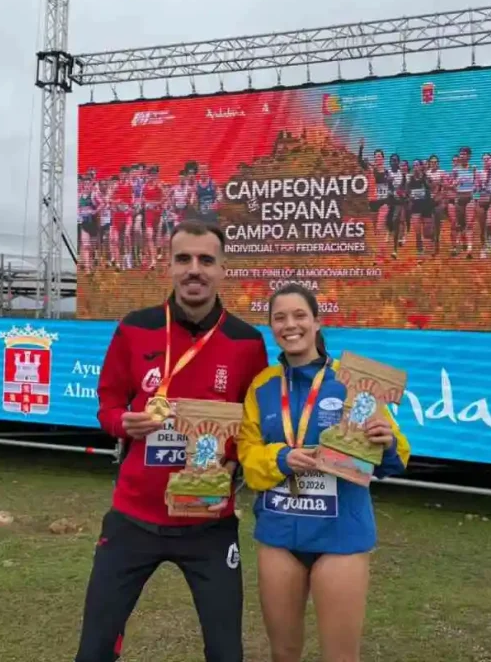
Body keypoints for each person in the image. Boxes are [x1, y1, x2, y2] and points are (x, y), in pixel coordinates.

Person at [75, 219, 270, 662]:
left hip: (208, 524)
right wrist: (125, 422)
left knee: (226, 654)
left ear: (222, 269)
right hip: (132, 519)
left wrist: (231, 460)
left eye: (206, 260)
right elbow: (106, 406)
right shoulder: (134, 328)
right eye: (184, 259)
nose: (194, 269)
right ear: (169, 266)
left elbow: (254, 428)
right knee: (93, 650)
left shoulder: (247, 342)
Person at [237, 283, 411, 662]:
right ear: (271, 327)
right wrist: (282, 458)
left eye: (300, 315)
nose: (290, 325)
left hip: (340, 538)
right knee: (283, 653)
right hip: (280, 536)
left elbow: (396, 457)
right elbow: (247, 457)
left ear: (317, 321)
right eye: (279, 318)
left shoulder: (354, 380)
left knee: (340, 657)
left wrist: (386, 443)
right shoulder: (262, 386)